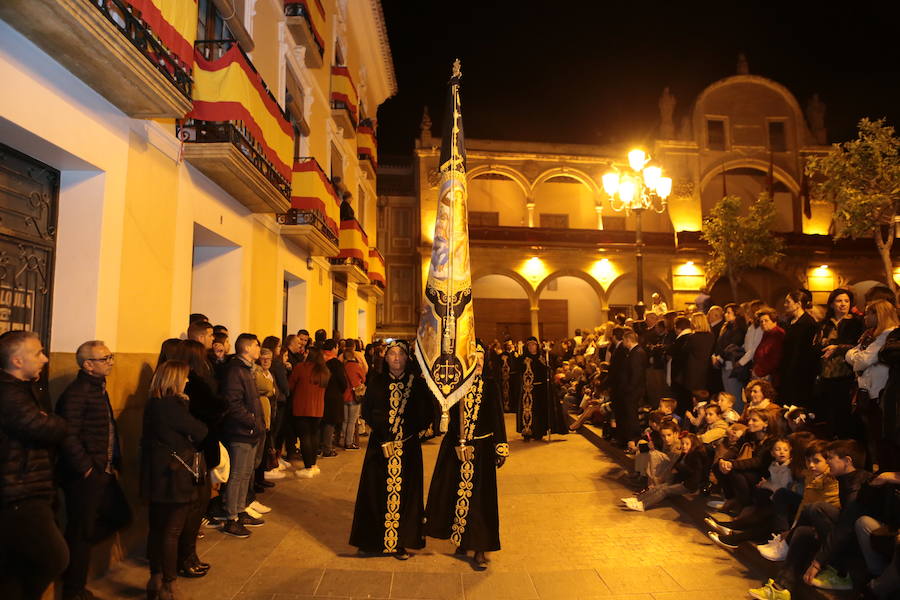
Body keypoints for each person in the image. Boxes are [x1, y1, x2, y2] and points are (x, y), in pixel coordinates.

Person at [56, 341, 131, 599]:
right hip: (86, 475)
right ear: (88, 365)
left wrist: (113, 462)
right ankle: (73, 588)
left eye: (111, 356)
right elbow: (68, 434)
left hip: (102, 470)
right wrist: (86, 467)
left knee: (119, 516)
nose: (110, 361)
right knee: (81, 531)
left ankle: (70, 557)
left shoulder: (98, 388)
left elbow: (107, 429)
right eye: (104, 358)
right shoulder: (77, 392)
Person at [349, 340, 437, 559]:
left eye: (400, 354)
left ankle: (401, 541)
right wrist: (382, 431)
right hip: (380, 446)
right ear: (385, 358)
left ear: (407, 359)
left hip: (407, 447)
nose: (396, 358)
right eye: (392, 354)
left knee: (407, 494)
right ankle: (371, 542)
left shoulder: (416, 384)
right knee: (374, 492)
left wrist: (414, 430)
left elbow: (426, 411)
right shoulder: (376, 381)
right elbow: (368, 410)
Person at [426, 342, 508, 569]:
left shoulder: (490, 386)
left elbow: (497, 418)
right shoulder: (457, 387)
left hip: (481, 452)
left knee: (481, 501)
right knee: (455, 494)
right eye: (474, 358)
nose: (479, 362)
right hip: (457, 450)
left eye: (481, 358)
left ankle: (481, 548)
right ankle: (461, 538)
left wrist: (500, 447)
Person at [0, 331, 70, 599]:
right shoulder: (9, 393)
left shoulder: (23, 389)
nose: (44, 358)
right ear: (17, 361)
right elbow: (44, 426)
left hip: (29, 487)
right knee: (54, 557)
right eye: (37, 353)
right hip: (19, 491)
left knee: (14, 568)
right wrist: (55, 423)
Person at [141, 360, 208, 600]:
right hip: (175, 476)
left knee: (157, 528)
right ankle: (169, 585)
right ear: (174, 380)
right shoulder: (172, 406)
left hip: (155, 474)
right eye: (185, 377)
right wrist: (185, 405)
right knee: (172, 531)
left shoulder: (153, 404)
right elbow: (201, 431)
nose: (187, 381)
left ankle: (154, 577)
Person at [171, 339, 225, 573]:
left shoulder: (188, 382)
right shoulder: (192, 383)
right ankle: (185, 558)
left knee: (196, 506)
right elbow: (214, 408)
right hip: (194, 453)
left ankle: (189, 555)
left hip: (195, 450)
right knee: (193, 508)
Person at [219, 334, 265, 538]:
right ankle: (231, 517)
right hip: (240, 431)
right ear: (246, 348)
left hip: (250, 431)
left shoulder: (246, 369)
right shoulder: (236, 371)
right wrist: (253, 421)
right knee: (237, 475)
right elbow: (233, 403)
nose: (259, 349)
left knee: (245, 473)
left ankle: (239, 510)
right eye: (256, 345)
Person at [846, 299, 899, 467]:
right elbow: (854, 355)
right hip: (868, 392)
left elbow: (862, 360)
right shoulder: (870, 335)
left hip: (880, 392)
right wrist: (854, 355)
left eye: (869, 312)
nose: (865, 316)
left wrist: (854, 355)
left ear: (880, 314)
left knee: (881, 438)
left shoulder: (888, 335)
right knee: (872, 437)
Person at [289, 346, 330, 477]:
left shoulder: (301, 368)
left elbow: (290, 385)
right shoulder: (324, 371)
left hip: (302, 408)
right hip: (318, 409)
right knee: (314, 437)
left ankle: (307, 467)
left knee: (305, 438)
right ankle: (313, 464)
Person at [778, 291, 819, 408]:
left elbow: (805, 351)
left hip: (800, 373)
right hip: (788, 370)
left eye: (788, 301)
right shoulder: (790, 322)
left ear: (798, 304)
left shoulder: (808, 323)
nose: (785, 304)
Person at [516, 336, 552, 441]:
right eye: (530, 345)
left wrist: (546, 365)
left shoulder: (542, 357)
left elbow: (548, 372)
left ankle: (539, 432)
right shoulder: (522, 358)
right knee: (528, 411)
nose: (532, 347)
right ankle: (527, 433)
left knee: (539, 411)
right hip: (527, 390)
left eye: (534, 345)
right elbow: (518, 371)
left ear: (537, 346)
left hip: (540, 388)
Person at [614, 330, 646, 445]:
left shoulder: (636, 353)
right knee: (629, 415)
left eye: (624, 340)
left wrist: (628, 389)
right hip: (632, 390)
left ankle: (633, 439)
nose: (623, 343)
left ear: (628, 340)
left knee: (632, 416)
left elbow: (636, 374)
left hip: (633, 391)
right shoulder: (635, 352)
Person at [321, 339, 348, 457]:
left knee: (322, 422)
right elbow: (342, 382)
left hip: (321, 394)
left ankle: (319, 447)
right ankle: (327, 448)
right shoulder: (336, 364)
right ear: (333, 349)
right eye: (337, 347)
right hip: (334, 395)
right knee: (330, 422)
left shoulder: (320, 361)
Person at [341, 342, 366, 450]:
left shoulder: (343, 367)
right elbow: (364, 378)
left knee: (345, 421)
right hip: (354, 396)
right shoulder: (356, 366)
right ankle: (349, 443)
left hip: (344, 396)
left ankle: (342, 440)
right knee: (352, 421)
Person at [752, 307, 785, 383]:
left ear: (774, 321)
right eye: (761, 321)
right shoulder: (767, 333)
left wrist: (759, 371)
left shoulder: (778, 334)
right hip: (762, 373)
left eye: (766, 320)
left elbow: (775, 358)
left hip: (769, 375)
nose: (763, 323)